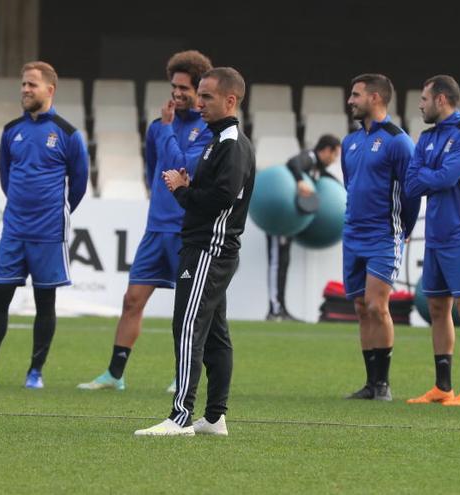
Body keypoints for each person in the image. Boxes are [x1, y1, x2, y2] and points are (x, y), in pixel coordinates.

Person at [78, 50, 213, 392]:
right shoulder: (157, 128)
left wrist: (167, 131)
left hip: (188, 231)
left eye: (184, 88)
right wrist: (165, 131)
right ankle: (114, 374)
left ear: (199, 91)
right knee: (132, 300)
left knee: (188, 309)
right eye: (174, 87)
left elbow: (179, 167)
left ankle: (184, 375)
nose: (177, 93)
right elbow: (155, 169)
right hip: (156, 229)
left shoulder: (207, 131)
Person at [0, 61, 89, 389]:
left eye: (32, 84)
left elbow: (80, 183)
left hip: (48, 232)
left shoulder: (69, 134)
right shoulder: (11, 130)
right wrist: (21, 209)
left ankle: (35, 373)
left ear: (50, 90)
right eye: (23, 85)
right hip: (14, 229)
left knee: (45, 302)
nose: (25, 90)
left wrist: (56, 211)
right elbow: (7, 176)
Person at [134, 67, 255, 436]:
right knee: (215, 334)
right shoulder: (218, 140)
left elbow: (220, 198)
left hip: (209, 249)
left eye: (207, 97)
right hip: (205, 247)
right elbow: (215, 190)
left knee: (188, 327)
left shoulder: (231, 144)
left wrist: (182, 190)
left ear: (230, 100)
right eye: (199, 95)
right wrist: (188, 184)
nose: (198, 103)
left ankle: (181, 416)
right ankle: (215, 418)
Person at [404, 75, 460, 406]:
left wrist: (430, 174)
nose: (421, 105)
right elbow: (412, 185)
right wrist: (432, 175)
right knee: (438, 308)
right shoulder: (425, 138)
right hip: (435, 237)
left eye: (424, 99)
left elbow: (446, 177)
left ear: (441, 99)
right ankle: (442, 386)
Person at [340, 74, 419, 401]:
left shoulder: (399, 141)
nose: (350, 101)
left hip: (384, 235)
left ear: (375, 98)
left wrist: (404, 231)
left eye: (356, 95)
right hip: (353, 234)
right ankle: (370, 383)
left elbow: (412, 192)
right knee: (360, 307)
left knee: (376, 304)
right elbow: (350, 185)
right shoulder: (350, 142)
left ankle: (383, 384)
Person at [265, 134, 341, 322]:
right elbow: (293, 162)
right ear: (326, 150)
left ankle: (281, 308)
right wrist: (300, 181)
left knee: (283, 263)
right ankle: (275, 309)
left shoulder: (317, 168)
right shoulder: (310, 157)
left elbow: (325, 176)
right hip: (279, 219)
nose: (334, 159)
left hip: (290, 223)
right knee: (276, 263)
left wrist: (340, 187)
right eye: (335, 154)